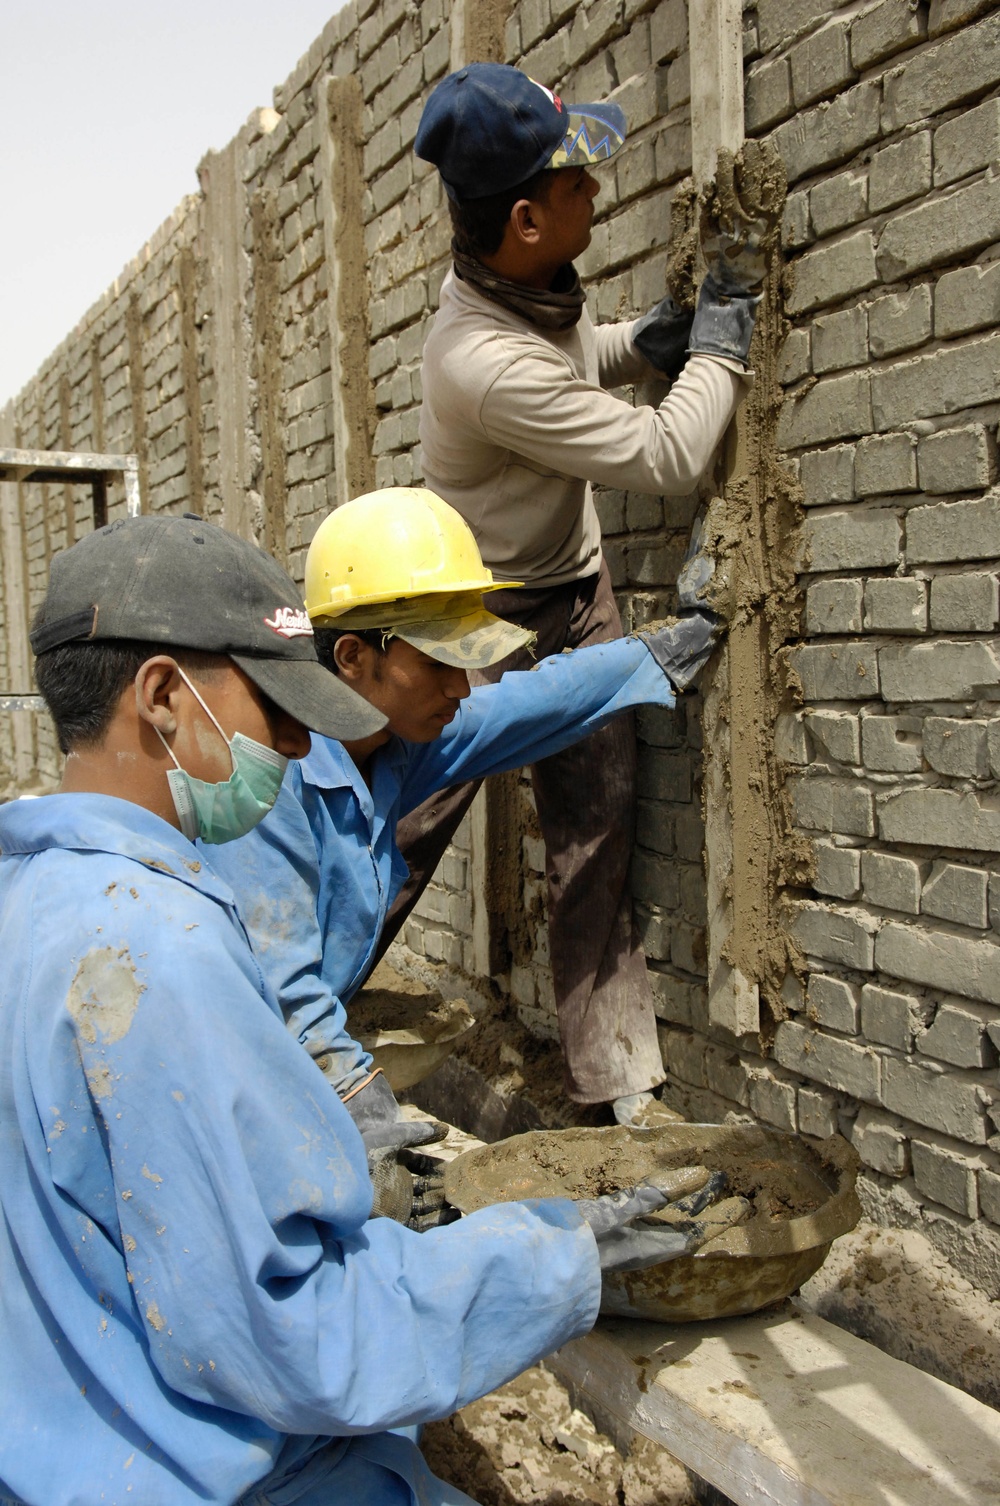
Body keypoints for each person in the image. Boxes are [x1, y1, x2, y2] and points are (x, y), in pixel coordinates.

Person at [0, 513, 740, 1506]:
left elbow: (517, 709)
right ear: (166, 700)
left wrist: (649, 653)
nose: (303, 743)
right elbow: (297, 1334)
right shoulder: (161, 956)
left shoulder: (37, 892)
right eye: (277, 709)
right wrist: (559, 1262)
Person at [392, 64, 775, 1125]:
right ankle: (300, 1011)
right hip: (476, 621)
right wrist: (719, 346)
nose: (597, 195)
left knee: (594, 840)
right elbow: (663, 453)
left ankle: (613, 1088)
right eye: (579, 183)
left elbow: (569, 360)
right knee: (403, 831)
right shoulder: (477, 360)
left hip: (573, 586)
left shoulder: (520, 283)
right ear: (524, 217)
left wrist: (635, 345)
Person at [207, 485, 721, 1127]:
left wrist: (661, 651)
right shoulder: (271, 781)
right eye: (438, 661)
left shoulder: (390, 740)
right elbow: (281, 998)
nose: (460, 684)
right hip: (225, 1082)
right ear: (352, 655)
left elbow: (529, 704)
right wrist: (365, 1115)